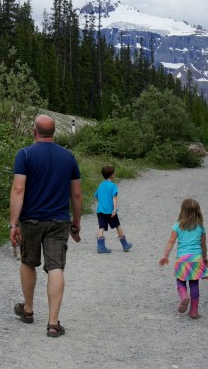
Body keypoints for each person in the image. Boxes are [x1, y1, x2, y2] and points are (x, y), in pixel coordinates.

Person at [9, 114, 83, 338]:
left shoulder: (25, 155)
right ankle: (53, 323)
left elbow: (19, 190)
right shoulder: (68, 157)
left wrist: (14, 224)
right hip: (58, 221)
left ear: (34, 132)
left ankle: (29, 310)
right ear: (53, 133)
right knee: (56, 267)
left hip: (30, 220)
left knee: (28, 262)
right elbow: (77, 193)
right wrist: (76, 224)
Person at [158, 198, 208, 319]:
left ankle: (183, 296)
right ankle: (194, 311)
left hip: (182, 259)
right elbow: (203, 245)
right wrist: (205, 258)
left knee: (180, 280)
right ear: (198, 212)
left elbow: (171, 241)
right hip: (196, 259)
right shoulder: (201, 227)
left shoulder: (177, 226)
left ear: (182, 211)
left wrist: (165, 255)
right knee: (194, 283)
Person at [94, 165, 132, 253]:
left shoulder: (101, 185)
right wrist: (114, 209)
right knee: (117, 225)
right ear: (112, 175)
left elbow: (97, 196)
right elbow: (114, 198)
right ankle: (125, 244)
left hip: (100, 210)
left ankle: (100, 246)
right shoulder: (113, 186)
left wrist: (102, 202)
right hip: (110, 211)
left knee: (101, 227)